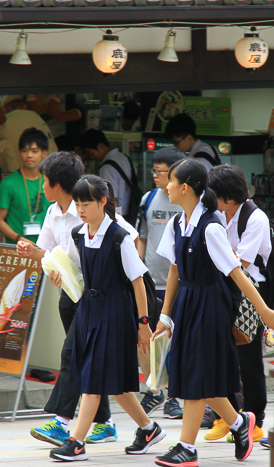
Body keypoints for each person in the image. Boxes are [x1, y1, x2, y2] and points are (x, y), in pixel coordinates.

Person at [151, 159, 274, 467]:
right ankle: (239, 424)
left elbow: (237, 273)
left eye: (170, 180)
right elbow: (174, 271)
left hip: (211, 306)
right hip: (187, 302)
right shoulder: (177, 223)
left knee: (196, 375)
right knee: (189, 373)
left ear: (184, 187)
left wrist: (264, 311)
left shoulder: (211, 226)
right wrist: (165, 315)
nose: (166, 186)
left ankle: (187, 448)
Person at [48, 175, 166, 462]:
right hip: (89, 310)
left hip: (116, 313)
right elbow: (74, 270)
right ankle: (149, 429)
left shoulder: (119, 237)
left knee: (92, 378)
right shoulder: (79, 233)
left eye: (86, 202)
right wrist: (57, 275)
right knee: (117, 385)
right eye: (77, 203)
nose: (80, 208)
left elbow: (138, 282)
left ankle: (76, 442)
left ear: (103, 202)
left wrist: (143, 324)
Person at [18, 152, 119, 447]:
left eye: (45, 181)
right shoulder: (52, 212)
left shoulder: (89, 210)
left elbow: (124, 239)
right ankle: (107, 423)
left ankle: (61, 421)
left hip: (96, 296)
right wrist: (38, 257)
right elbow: (46, 251)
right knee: (86, 359)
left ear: (58, 184)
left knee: (72, 355)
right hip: (70, 296)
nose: (42, 186)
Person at [206, 164, 270, 444]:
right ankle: (227, 416)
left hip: (250, 292)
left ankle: (255, 418)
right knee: (221, 355)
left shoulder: (256, 218)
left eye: (215, 196)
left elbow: (240, 263)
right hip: (224, 288)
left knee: (248, 358)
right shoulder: (218, 215)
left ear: (229, 197)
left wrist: (224, 254)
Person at [136, 147, 186, 420]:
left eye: (160, 171)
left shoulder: (185, 200)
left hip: (180, 285)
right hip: (152, 282)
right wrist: (139, 272)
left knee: (176, 341)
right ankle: (156, 390)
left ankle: (174, 397)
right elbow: (142, 237)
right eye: (153, 170)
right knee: (153, 340)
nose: (154, 175)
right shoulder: (148, 198)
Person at [0, 127, 51, 245]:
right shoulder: (8, 184)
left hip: (46, 249)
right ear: (19, 153)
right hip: (18, 251)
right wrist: (19, 238)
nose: (29, 155)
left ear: (44, 153)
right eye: (25, 151)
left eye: (34, 151)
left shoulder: (52, 182)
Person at [79, 129, 137, 220]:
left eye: (91, 153)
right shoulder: (125, 158)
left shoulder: (106, 168)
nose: (92, 157)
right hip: (133, 210)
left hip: (119, 215)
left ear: (100, 146)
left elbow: (112, 198)